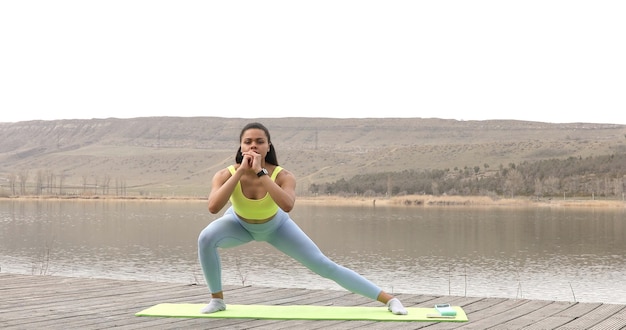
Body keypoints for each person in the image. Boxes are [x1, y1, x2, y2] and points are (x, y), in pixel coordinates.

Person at [197, 122, 408, 315]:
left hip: (276, 227)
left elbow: (287, 205)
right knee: (206, 238)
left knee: (324, 266)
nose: (254, 146)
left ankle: (390, 300)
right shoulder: (225, 174)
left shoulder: (283, 176)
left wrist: (261, 172)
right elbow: (213, 207)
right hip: (238, 224)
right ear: (241, 146)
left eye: (260, 142)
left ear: (268, 147)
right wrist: (241, 170)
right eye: (248, 142)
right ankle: (217, 300)